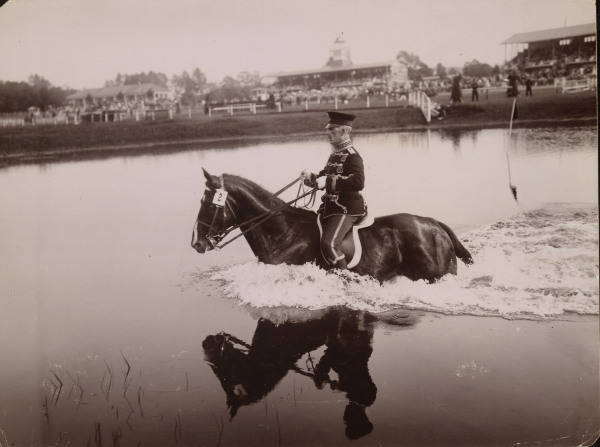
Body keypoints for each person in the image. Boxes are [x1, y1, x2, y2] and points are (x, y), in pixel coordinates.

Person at [302, 111, 367, 270]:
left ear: (345, 131)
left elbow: (359, 182)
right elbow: (324, 177)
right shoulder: (335, 155)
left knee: (329, 244)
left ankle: (345, 279)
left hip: (347, 209)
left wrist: (330, 181)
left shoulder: (353, 156)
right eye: (328, 130)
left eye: (332, 130)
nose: (328, 133)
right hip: (329, 208)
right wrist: (312, 178)